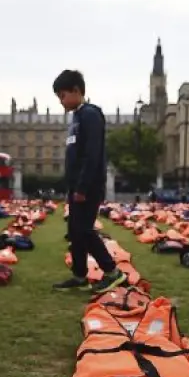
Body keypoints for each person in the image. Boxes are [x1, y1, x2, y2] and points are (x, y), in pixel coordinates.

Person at [51, 69, 125, 293]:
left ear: (76, 90)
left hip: (89, 186)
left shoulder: (90, 114)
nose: (61, 101)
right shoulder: (76, 117)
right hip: (77, 186)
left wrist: (82, 186)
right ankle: (79, 275)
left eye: (63, 96)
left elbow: (92, 154)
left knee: (84, 230)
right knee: (75, 232)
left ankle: (112, 271)